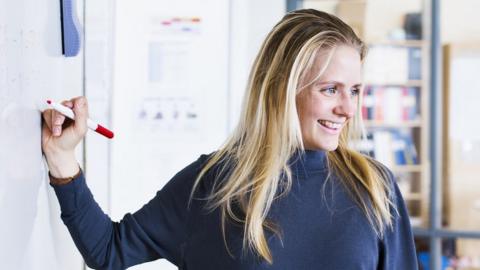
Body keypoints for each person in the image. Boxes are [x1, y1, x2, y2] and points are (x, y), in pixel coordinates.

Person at [42, 9, 418, 270]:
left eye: (354, 90)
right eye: (331, 89)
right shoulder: (214, 181)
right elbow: (108, 250)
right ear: (280, 90)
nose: (347, 109)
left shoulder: (374, 187)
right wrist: (62, 160)